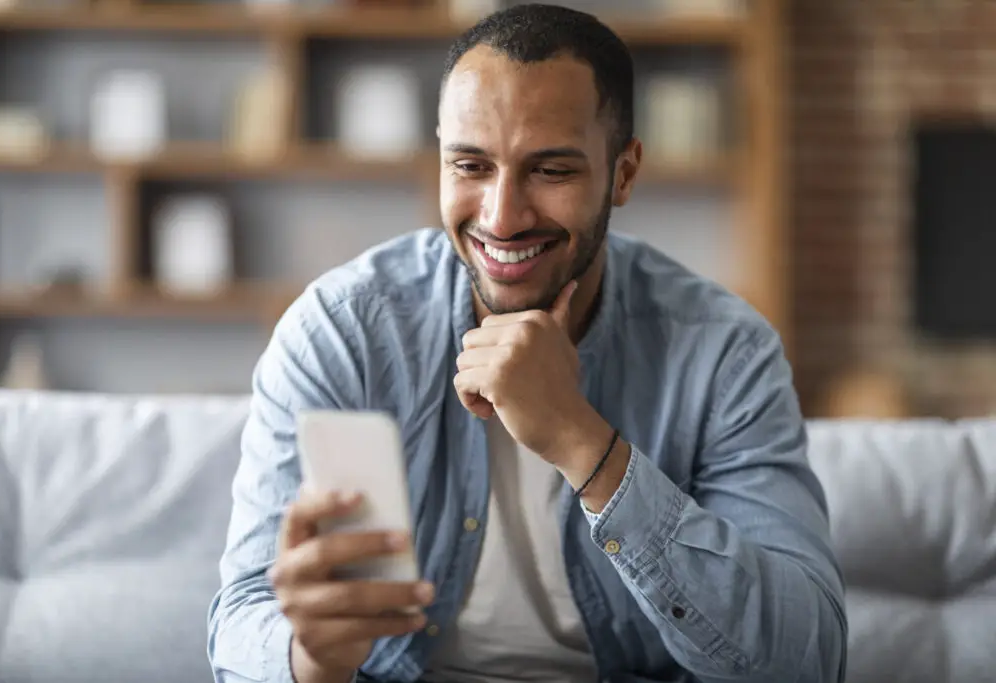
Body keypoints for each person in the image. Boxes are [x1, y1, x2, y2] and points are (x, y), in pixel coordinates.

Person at [207, 4, 848, 682]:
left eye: (552, 170)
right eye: (472, 165)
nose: (503, 217)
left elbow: (806, 660)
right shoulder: (344, 330)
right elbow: (242, 620)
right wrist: (311, 654)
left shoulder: (725, 353)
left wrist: (584, 444)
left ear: (623, 173)